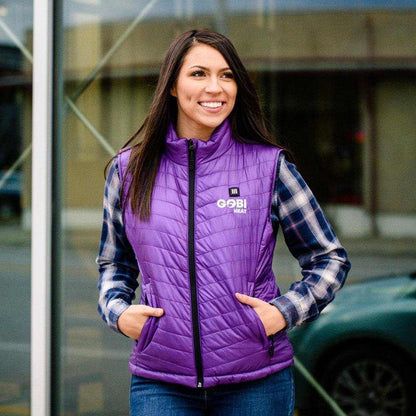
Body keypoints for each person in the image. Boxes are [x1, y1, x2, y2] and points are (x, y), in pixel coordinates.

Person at [96, 29, 351, 416]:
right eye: (199, 73)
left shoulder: (269, 167)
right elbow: (114, 263)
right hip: (160, 384)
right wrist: (118, 312)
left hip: (256, 383)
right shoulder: (129, 171)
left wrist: (284, 311)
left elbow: (329, 259)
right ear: (171, 86)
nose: (215, 87)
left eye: (227, 75)